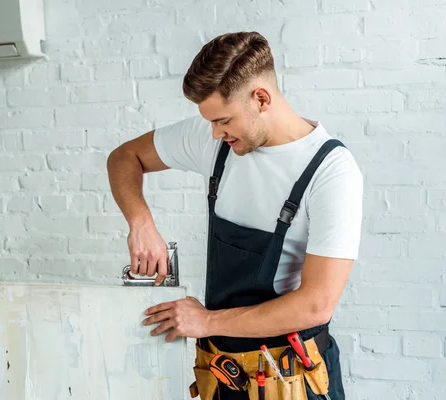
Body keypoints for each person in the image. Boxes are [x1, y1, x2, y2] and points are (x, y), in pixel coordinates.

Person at [106, 31, 362, 400]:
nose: (214, 133)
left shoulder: (331, 172)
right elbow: (123, 157)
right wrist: (140, 223)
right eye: (210, 122)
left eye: (223, 120)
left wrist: (206, 321)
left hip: (292, 380)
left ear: (261, 99)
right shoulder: (217, 140)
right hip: (225, 375)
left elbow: (316, 304)